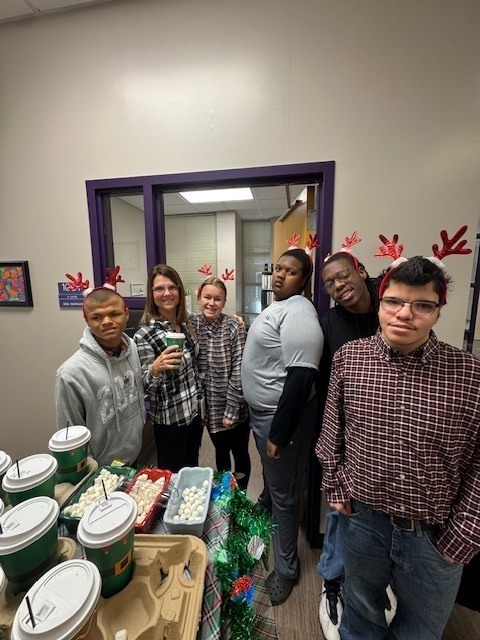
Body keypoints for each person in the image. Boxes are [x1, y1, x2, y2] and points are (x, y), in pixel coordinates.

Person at [316, 255, 480, 640]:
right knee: (361, 614)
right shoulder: (350, 360)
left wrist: (466, 533)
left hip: (434, 535)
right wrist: (337, 489)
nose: (404, 314)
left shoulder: (468, 374)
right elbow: (331, 434)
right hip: (363, 521)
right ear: (380, 300)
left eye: (421, 305)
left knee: (421, 630)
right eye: (394, 302)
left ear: (438, 311)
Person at [241, 248, 324, 606]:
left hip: (278, 418)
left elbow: (302, 376)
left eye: (290, 272)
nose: (280, 275)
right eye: (278, 268)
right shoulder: (280, 307)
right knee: (276, 483)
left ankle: (287, 569)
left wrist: (279, 434)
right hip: (263, 413)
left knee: (286, 497)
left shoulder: (301, 311)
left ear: (304, 280)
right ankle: (265, 500)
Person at [315, 249, 385, 640]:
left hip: (391, 428)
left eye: (344, 276)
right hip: (350, 430)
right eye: (330, 282)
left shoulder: (390, 306)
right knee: (342, 510)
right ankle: (332, 579)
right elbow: (329, 386)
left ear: (359, 271)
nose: (339, 286)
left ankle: (373, 583)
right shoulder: (330, 324)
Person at [55, 286, 146, 467]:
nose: (107, 321)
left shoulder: (133, 349)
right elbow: (70, 436)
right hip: (98, 468)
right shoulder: (70, 374)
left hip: (133, 453)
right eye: (97, 317)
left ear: (127, 314)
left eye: (115, 314)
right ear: (87, 319)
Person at [134, 264, 203, 472]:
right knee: (172, 479)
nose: (167, 293)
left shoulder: (186, 324)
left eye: (172, 287)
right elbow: (145, 389)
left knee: (192, 470)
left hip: (193, 414)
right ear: (151, 294)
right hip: (170, 421)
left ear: (180, 291)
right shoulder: (144, 335)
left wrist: (234, 320)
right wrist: (155, 369)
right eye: (159, 289)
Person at [188, 276, 251, 490]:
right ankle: (226, 495)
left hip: (235, 407)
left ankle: (241, 497)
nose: (211, 303)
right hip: (210, 410)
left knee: (240, 452)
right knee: (221, 453)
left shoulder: (233, 325)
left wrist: (232, 411)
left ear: (224, 302)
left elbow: (239, 370)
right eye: (207, 297)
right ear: (199, 298)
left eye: (217, 299)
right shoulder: (192, 324)